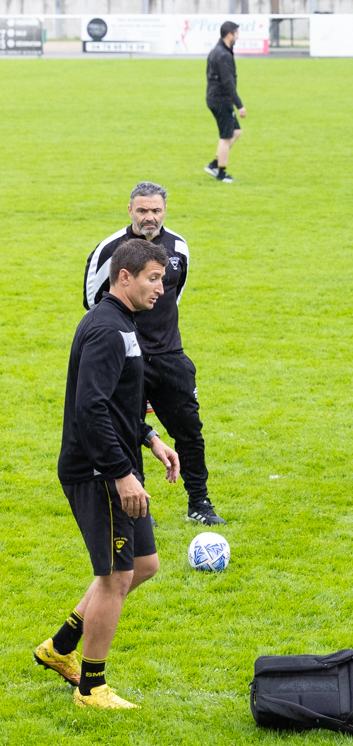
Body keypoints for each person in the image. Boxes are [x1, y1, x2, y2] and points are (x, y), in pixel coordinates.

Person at [35, 239, 181, 709]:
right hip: (97, 471)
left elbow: (117, 402)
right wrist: (120, 474)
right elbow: (90, 406)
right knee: (116, 576)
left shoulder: (124, 323)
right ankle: (91, 687)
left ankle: (58, 647)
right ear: (125, 277)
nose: (161, 288)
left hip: (117, 460)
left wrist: (150, 438)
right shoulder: (105, 329)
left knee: (143, 565)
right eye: (153, 279)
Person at [84, 182, 225, 526]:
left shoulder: (178, 246)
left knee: (189, 430)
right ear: (129, 209)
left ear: (165, 210)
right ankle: (138, 509)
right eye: (143, 210)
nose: (150, 217)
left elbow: (172, 295)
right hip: (125, 357)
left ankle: (199, 502)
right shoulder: (109, 249)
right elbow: (91, 300)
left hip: (169, 355)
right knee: (127, 430)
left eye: (156, 210)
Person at [204, 21, 246, 183]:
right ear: (230, 34)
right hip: (221, 100)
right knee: (226, 136)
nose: (238, 36)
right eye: (236, 33)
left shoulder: (218, 50)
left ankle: (215, 163)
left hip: (215, 98)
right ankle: (221, 173)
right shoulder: (223, 55)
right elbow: (228, 83)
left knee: (236, 132)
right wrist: (240, 105)